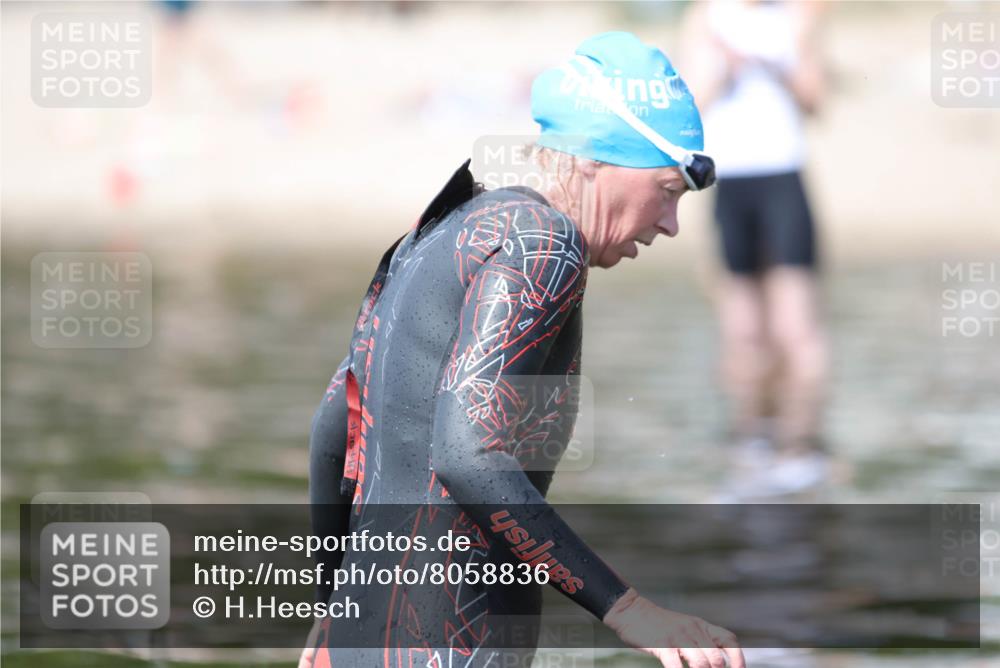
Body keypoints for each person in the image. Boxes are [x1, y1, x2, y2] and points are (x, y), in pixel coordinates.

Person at [302, 32, 744, 668]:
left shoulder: (436, 234)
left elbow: (334, 428)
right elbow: (467, 453)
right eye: (668, 190)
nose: (670, 223)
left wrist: (332, 606)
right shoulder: (548, 245)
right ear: (597, 160)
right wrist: (630, 611)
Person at [681, 0, 830, 493]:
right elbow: (690, 108)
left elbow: (815, 100)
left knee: (795, 326)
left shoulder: (797, 15)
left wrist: (776, 62)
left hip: (784, 175)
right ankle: (749, 441)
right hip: (731, 179)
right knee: (742, 329)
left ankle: (803, 444)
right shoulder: (705, 16)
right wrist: (726, 65)